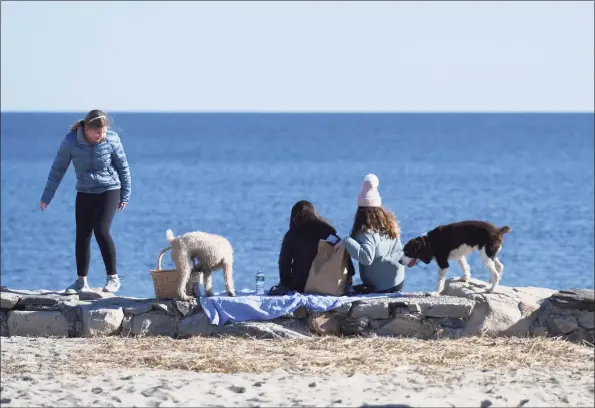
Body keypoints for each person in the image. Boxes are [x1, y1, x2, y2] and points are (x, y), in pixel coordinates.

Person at [40, 109, 131, 294]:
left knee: (101, 229)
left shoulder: (112, 140)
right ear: (87, 129)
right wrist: (47, 196)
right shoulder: (71, 141)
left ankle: (113, 278)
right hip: (85, 191)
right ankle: (81, 281)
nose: (101, 135)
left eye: (104, 132)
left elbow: (123, 167)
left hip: (110, 189)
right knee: (82, 235)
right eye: (98, 132)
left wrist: (125, 194)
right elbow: (58, 169)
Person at [272, 200, 355, 295]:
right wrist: (349, 278)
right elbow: (343, 251)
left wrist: (285, 284)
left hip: (300, 285)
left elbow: (284, 263)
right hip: (326, 283)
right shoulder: (327, 231)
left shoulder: (292, 234)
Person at [341, 174, 405, 294]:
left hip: (380, 286)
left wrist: (346, 241)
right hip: (398, 282)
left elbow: (366, 258)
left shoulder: (365, 231)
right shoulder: (390, 225)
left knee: (346, 291)